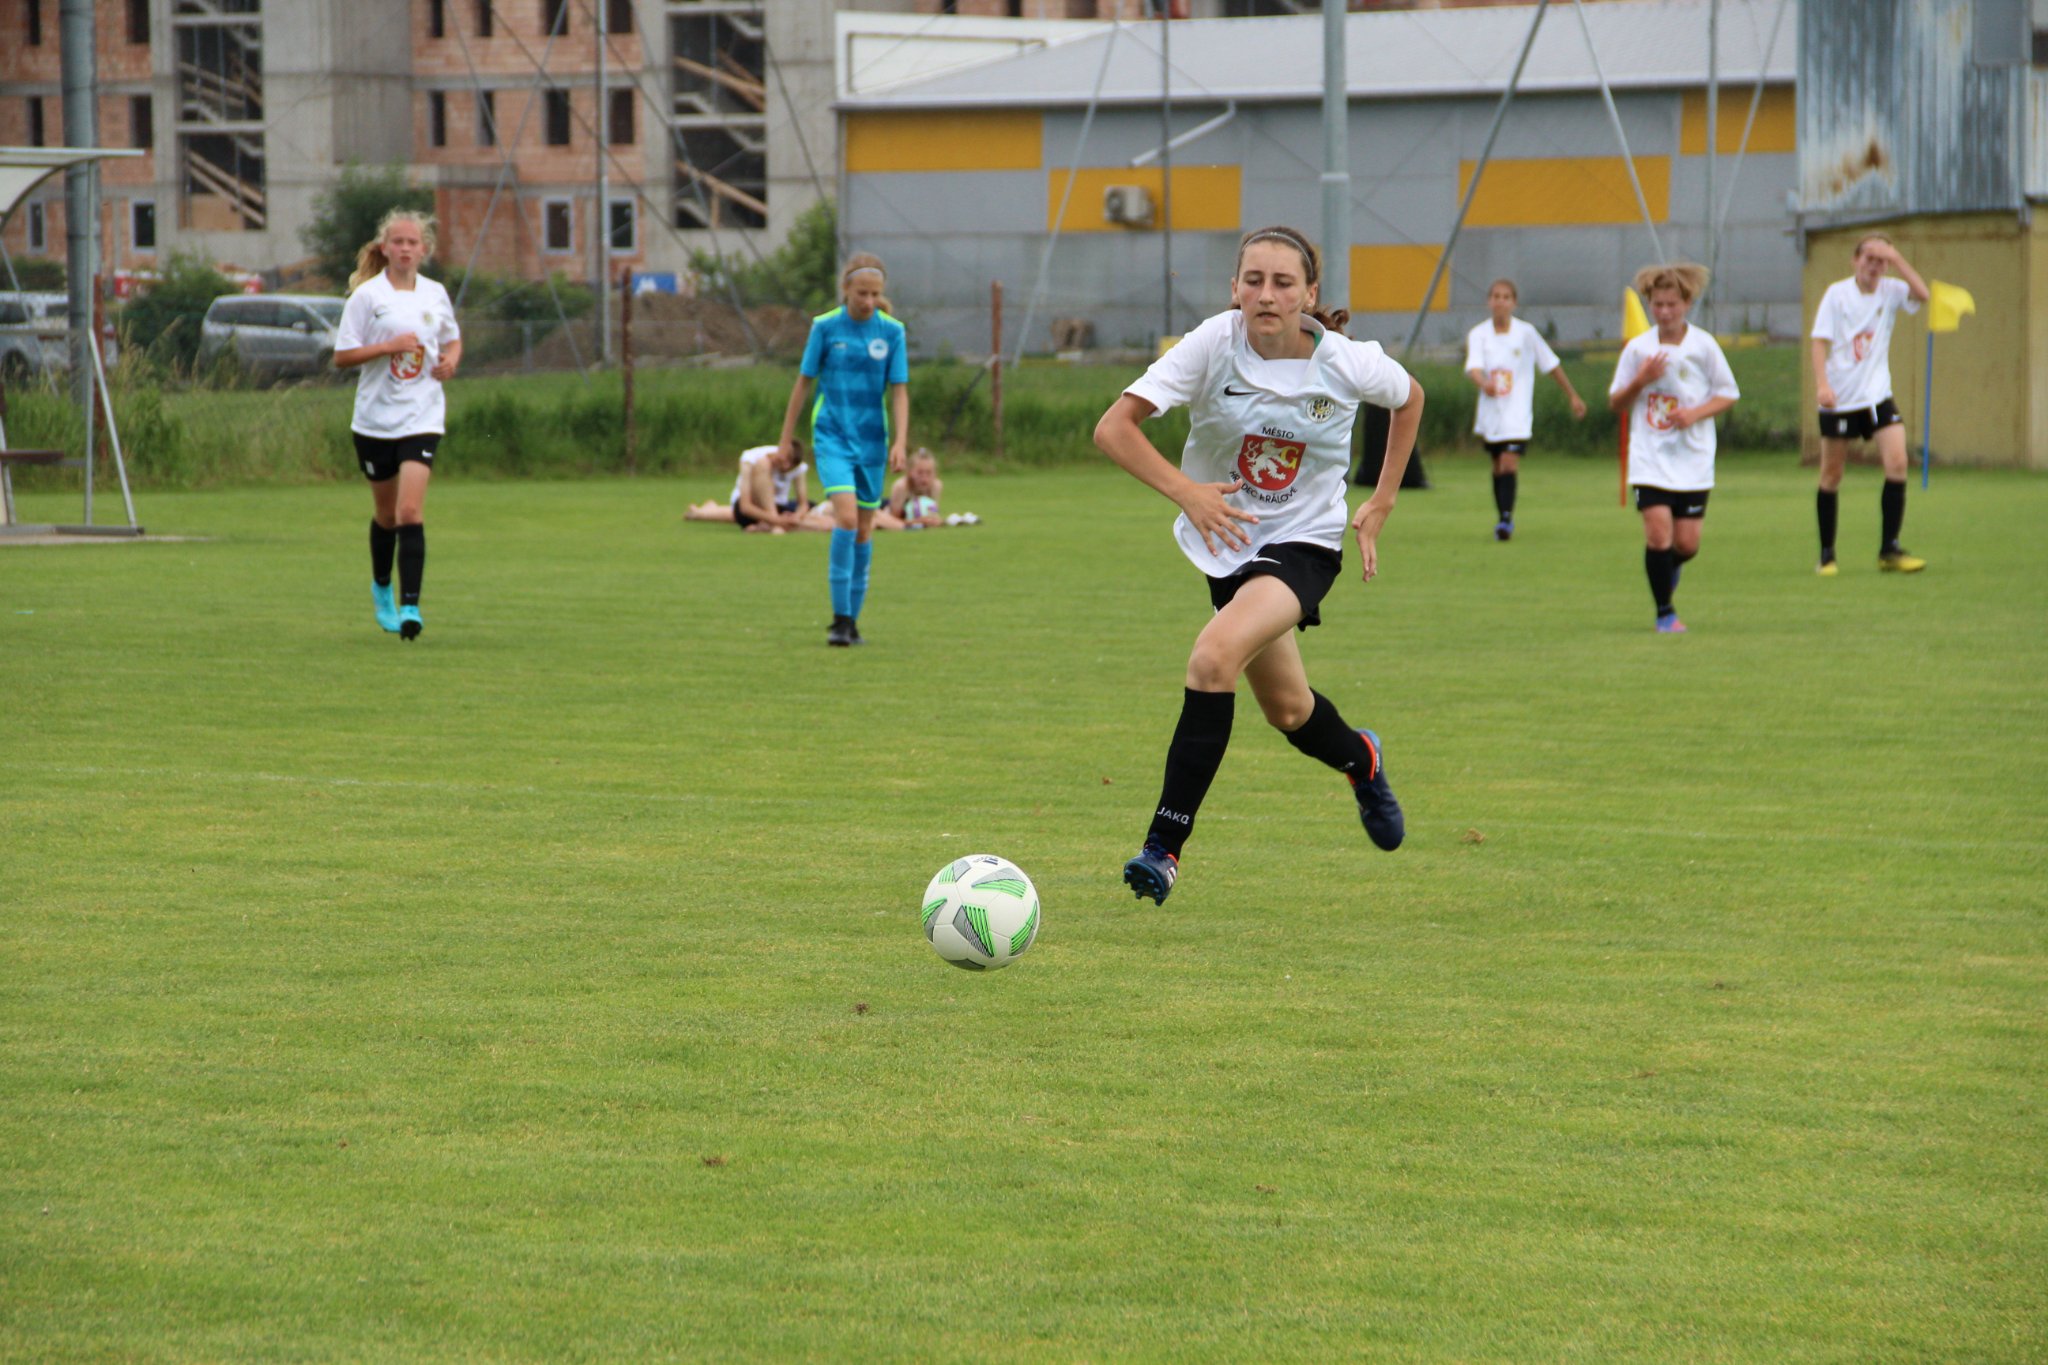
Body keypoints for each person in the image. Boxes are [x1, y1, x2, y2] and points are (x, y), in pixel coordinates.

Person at [1094, 224, 1423, 906]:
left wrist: (1383, 498)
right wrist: (1187, 492)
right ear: (1235, 288)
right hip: (1225, 544)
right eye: (1253, 280)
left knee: (1212, 657)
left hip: (1306, 542)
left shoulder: (1346, 362)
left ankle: (1163, 848)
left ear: (1309, 293)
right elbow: (1113, 428)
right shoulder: (1213, 343)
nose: (1266, 294)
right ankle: (1361, 757)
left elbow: (1409, 397)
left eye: (1282, 282)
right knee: (1289, 709)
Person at [333, 209, 461, 641]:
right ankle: (382, 588)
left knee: (409, 511)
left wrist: (450, 360)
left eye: (413, 242)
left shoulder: (435, 294)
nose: (405, 249)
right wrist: (387, 346)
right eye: (398, 242)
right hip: (375, 421)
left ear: (424, 250)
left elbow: (452, 338)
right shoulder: (367, 297)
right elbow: (342, 356)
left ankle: (410, 607)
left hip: (422, 416)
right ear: (385, 248)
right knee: (387, 515)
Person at [774, 252, 909, 646]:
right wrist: (785, 438)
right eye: (862, 293)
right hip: (832, 435)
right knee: (847, 518)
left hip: (872, 441)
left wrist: (900, 441)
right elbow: (803, 383)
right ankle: (838, 621)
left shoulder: (892, 332)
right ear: (846, 288)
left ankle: (851, 621)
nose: (868, 301)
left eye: (875, 294)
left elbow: (899, 391)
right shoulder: (825, 327)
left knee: (865, 528)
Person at [1607, 262, 1740, 635]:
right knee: (1658, 535)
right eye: (1658, 305)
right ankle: (1665, 613)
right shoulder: (1638, 349)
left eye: (1672, 305)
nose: (1664, 312)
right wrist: (1641, 380)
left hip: (1693, 459)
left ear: (1687, 303)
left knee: (1687, 544)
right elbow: (1616, 403)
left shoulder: (1703, 346)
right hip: (1649, 458)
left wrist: (1694, 413)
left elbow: (1728, 393)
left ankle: (1668, 569)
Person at [1811, 233, 1932, 574]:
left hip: (1877, 396)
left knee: (1897, 463)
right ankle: (1827, 555)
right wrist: (1822, 385)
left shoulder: (1891, 290)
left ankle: (1889, 550)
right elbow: (1819, 342)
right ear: (1855, 261)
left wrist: (1896, 257)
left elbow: (1923, 295)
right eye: (1869, 259)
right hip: (1841, 398)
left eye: (1881, 261)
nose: (1875, 267)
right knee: (1832, 474)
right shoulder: (1837, 294)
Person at [1463, 278, 1586, 539]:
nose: (1501, 302)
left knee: (1509, 463)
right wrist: (1484, 383)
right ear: (1489, 301)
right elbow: (1474, 368)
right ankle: (1503, 515)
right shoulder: (1479, 334)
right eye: (1496, 296)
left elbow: (1551, 364)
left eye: (1506, 297)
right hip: (1491, 413)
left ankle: (1506, 520)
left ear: (1514, 303)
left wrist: (1573, 395)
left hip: (1517, 413)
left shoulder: (1526, 333)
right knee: (1498, 466)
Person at [684, 440, 811, 532]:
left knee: (812, 511)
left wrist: (796, 517)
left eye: (791, 465)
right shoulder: (752, 458)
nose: (786, 466)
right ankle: (702, 512)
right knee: (762, 466)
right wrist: (777, 521)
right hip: (750, 505)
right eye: (786, 460)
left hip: (778, 507)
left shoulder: (799, 467)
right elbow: (745, 507)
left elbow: (803, 504)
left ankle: (704, 511)